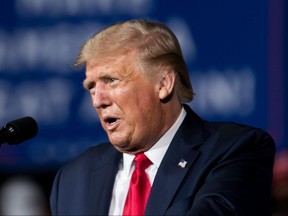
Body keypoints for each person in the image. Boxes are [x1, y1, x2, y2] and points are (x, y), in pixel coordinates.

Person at [50, 19, 275, 215]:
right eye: (91, 87)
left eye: (111, 80)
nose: (98, 100)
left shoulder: (235, 150)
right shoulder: (73, 179)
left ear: (163, 84)